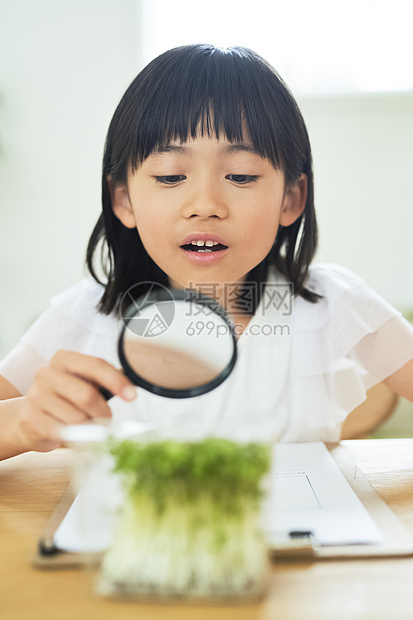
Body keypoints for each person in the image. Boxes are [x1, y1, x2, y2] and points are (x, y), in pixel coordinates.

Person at [1, 44, 413, 460]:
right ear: (123, 200)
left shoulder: (335, 305)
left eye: (240, 175)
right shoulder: (81, 317)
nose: (205, 204)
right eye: (169, 176)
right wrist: (20, 423)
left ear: (291, 198)